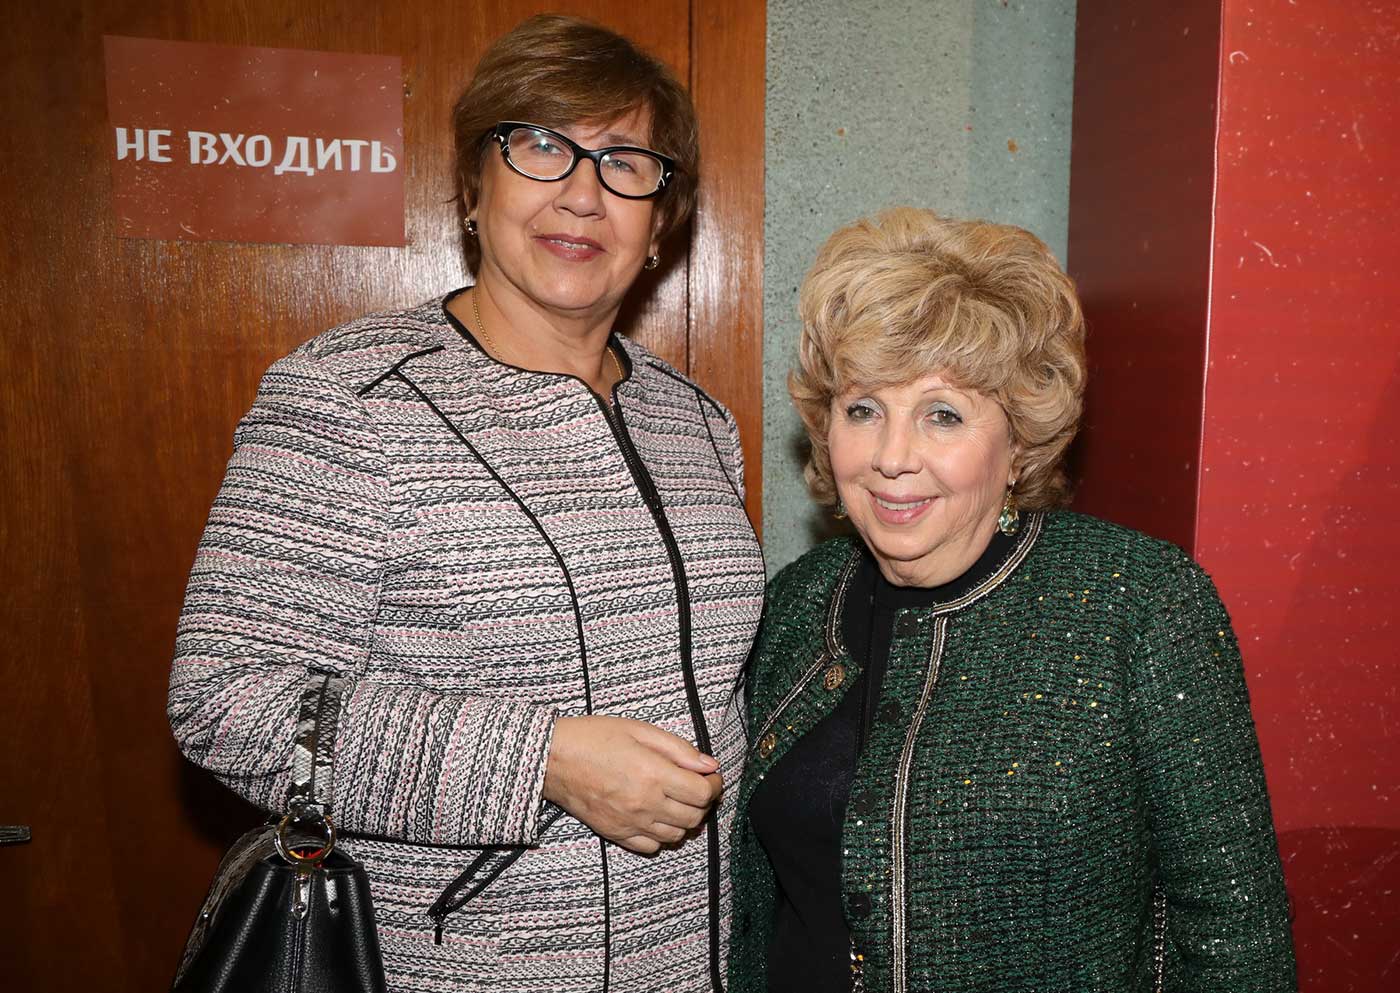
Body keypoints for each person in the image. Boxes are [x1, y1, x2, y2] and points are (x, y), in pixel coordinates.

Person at [168, 16, 764, 993]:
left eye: (625, 162)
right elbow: (226, 703)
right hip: (466, 966)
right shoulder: (350, 399)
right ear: (473, 190)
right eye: (539, 146)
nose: (583, 193)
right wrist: (541, 760)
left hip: (696, 963)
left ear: (662, 221)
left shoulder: (693, 420)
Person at [728, 208, 1296, 993]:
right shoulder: (794, 604)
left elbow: (1238, 933)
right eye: (863, 408)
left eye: (943, 414)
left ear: (1019, 442)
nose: (892, 455)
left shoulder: (1141, 606)